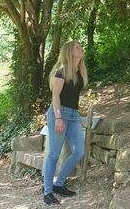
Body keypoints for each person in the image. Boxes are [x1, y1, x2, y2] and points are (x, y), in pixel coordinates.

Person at [43, 40, 88, 205]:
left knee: (79, 151)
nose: (80, 48)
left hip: (74, 116)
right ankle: (48, 192)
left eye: (80, 46)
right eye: (77, 47)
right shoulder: (61, 71)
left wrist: (78, 117)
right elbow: (55, 96)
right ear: (69, 51)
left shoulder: (79, 72)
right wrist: (59, 117)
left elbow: (74, 97)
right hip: (59, 114)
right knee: (54, 154)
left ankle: (59, 183)